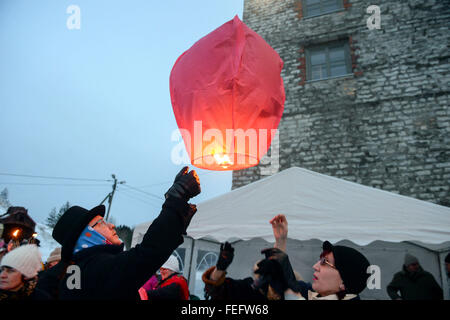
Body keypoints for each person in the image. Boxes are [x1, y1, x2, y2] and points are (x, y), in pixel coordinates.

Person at [37, 166, 200, 300]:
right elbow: (146, 254)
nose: (112, 225)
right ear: (85, 235)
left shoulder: (79, 270)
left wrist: (175, 218)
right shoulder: (93, 266)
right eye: (101, 223)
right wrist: (176, 199)